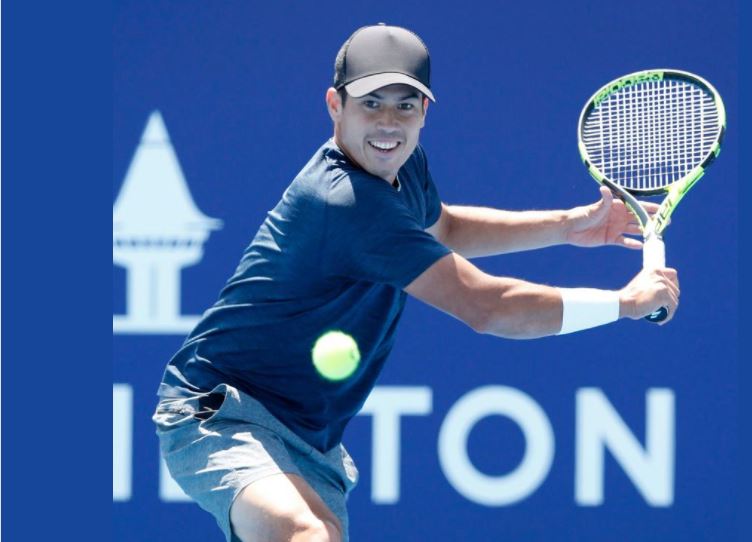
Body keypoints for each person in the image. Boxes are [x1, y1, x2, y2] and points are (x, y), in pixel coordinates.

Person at [152, 23, 679, 542]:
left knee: (322, 535)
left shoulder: (402, 167)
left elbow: (443, 226)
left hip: (309, 433)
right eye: (371, 103)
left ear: (425, 111)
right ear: (335, 106)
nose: (388, 122)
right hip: (220, 410)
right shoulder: (345, 202)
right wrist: (625, 303)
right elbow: (488, 307)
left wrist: (565, 227)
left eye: (405, 105)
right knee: (307, 534)